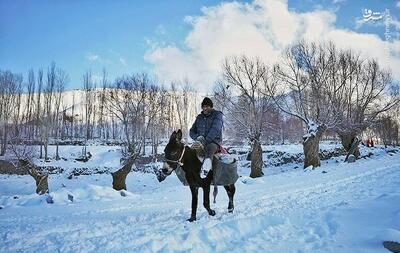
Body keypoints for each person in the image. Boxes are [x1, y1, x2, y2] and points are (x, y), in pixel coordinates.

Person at [190, 97, 223, 176]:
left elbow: (215, 129)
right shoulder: (199, 117)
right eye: (203, 106)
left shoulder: (217, 115)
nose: (205, 108)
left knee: (209, 148)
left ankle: (206, 171)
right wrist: (197, 137)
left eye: (207, 106)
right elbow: (191, 131)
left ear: (211, 107)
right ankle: (189, 172)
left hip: (213, 143)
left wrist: (205, 141)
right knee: (190, 151)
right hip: (199, 142)